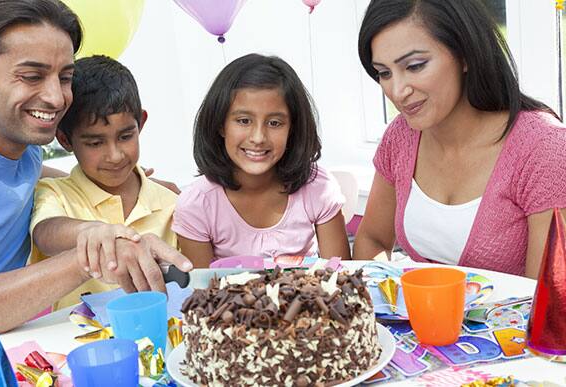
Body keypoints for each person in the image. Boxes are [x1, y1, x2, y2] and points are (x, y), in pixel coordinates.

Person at [0, 1, 190, 385]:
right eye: (31, 76)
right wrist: (92, 253)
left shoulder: (25, 154)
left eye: (64, 77)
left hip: (11, 368)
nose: (57, 98)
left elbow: (34, 175)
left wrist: (136, 183)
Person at [353, 0, 566, 278]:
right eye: (384, 73)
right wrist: (388, 295)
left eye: (415, 66)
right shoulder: (402, 135)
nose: (397, 91)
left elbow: (550, 298)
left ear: (465, 53)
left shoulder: (543, 147)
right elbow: (373, 240)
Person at [172, 53, 351, 268]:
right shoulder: (197, 204)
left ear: (292, 129)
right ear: (220, 124)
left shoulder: (318, 187)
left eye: (275, 123)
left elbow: (341, 277)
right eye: (244, 121)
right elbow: (202, 291)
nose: (258, 137)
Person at [30, 55, 178, 310]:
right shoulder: (55, 192)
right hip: (82, 346)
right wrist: (95, 234)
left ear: (140, 123)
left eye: (125, 136)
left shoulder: (171, 202)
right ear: (65, 140)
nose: (115, 155)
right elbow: (45, 232)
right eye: (95, 143)